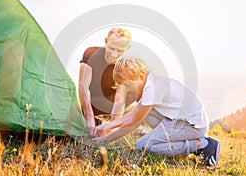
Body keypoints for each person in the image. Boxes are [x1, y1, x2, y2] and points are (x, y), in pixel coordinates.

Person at [92, 55, 220, 166]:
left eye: (128, 85)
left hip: (192, 126)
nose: (128, 90)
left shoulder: (153, 87)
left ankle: (202, 145)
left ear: (140, 76)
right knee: (141, 110)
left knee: (143, 147)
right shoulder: (150, 85)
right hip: (177, 121)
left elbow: (133, 121)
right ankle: (178, 145)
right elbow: (134, 117)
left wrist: (107, 132)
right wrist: (108, 132)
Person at [78, 28, 136, 135]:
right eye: (111, 48)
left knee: (134, 86)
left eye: (120, 51)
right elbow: (83, 87)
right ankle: (92, 119)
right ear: (106, 41)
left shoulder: (125, 65)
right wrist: (89, 118)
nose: (114, 54)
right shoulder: (91, 53)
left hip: (110, 103)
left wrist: (111, 127)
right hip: (91, 101)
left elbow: (119, 99)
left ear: (127, 48)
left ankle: (113, 121)